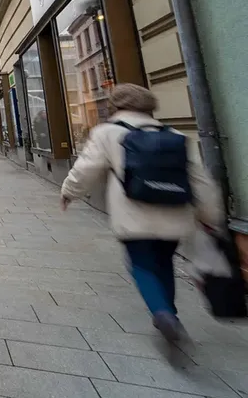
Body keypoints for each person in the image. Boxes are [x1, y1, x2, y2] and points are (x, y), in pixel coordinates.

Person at [60, 83, 224, 343]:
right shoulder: (175, 134)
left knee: (141, 264)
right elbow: (200, 181)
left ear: (115, 106)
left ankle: (162, 313)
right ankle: (169, 311)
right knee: (163, 262)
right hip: (175, 213)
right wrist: (211, 216)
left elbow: (86, 168)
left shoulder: (108, 132)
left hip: (134, 215)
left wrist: (69, 191)